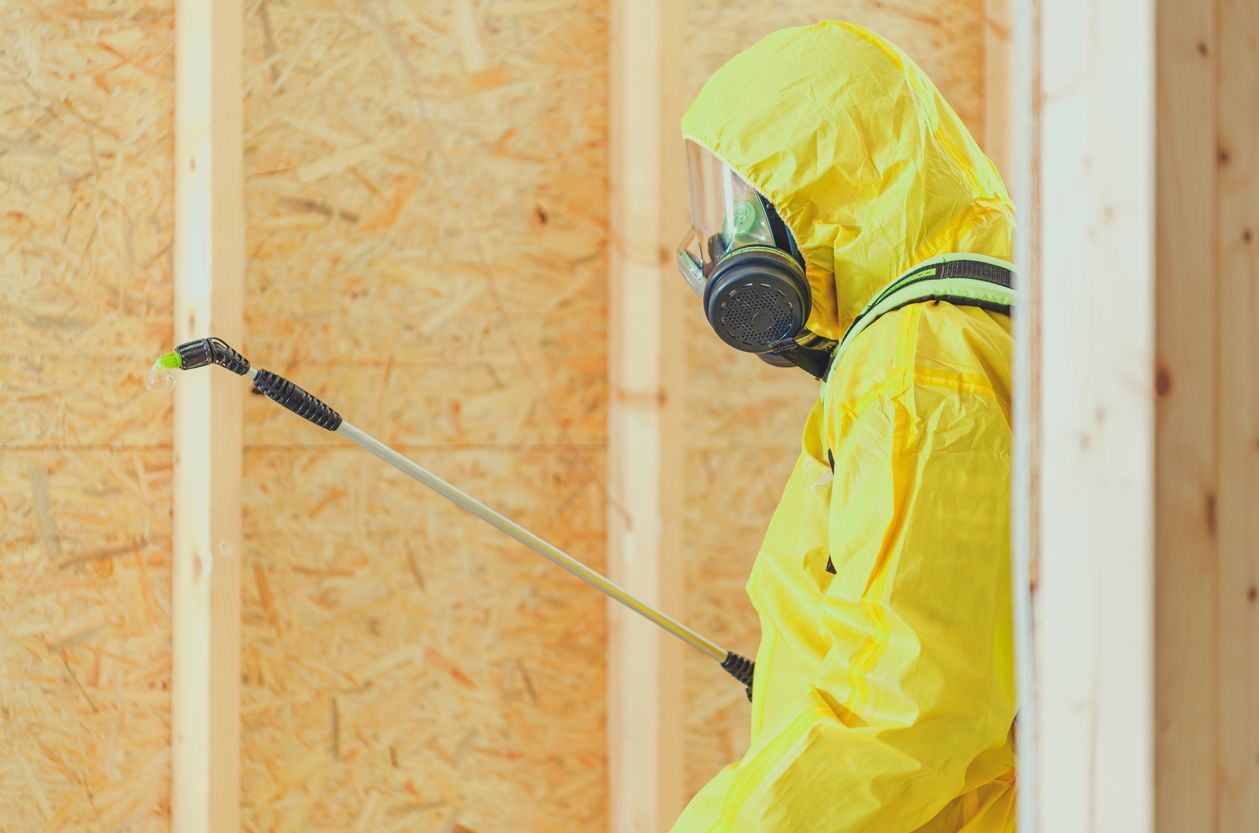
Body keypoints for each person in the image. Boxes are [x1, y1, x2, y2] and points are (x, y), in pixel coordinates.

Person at [672, 21, 1017, 833]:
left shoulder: (916, 363)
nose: (722, 248)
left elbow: (908, 707)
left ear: (822, 199)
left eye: (747, 208)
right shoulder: (970, 310)